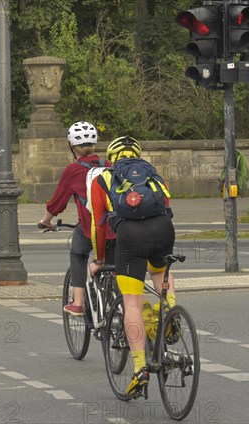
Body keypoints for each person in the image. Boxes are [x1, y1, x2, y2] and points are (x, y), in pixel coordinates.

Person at [89, 136, 175, 397]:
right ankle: (171, 316)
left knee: (133, 302)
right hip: (163, 230)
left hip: (130, 238)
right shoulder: (152, 174)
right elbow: (166, 206)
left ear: (111, 159)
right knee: (161, 275)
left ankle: (140, 369)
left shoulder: (102, 179)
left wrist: (100, 259)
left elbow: (98, 227)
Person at [38, 121, 115, 316]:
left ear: (72, 146)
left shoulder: (73, 170)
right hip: (115, 227)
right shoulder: (109, 166)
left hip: (90, 228)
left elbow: (57, 203)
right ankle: (120, 303)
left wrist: (46, 221)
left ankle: (78, 302)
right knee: (113, 263)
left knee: (78, 253)